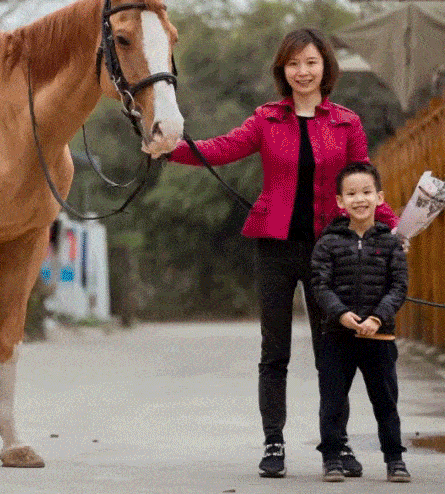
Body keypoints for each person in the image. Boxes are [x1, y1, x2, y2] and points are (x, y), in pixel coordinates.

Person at [165, 28, 398, 478]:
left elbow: (362, 183)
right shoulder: (267, 119)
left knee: (334, 351)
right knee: (275, 351)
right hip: (275, 248)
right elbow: (221, 148)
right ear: (282, 71)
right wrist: (169, 150)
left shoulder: (347, 123)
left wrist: (392, 225)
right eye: (294, 64)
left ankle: (339, 443)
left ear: (325, 67)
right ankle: (273, 443)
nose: (303, 71)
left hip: (332, 252)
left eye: (311, 62)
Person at [311, 161, 410, 483]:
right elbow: (320, 285)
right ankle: (332, 458)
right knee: (333, 402)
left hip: (379, 338)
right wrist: (341, 314)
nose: (360, 199)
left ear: (380, 197)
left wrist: (378, 318)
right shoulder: (327, 242)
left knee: (385, 402)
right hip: (337, 336)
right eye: (351, 193)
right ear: (340, 201)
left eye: (367, 192)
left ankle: (395, 460)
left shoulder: (392, 242)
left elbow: (399, 287)